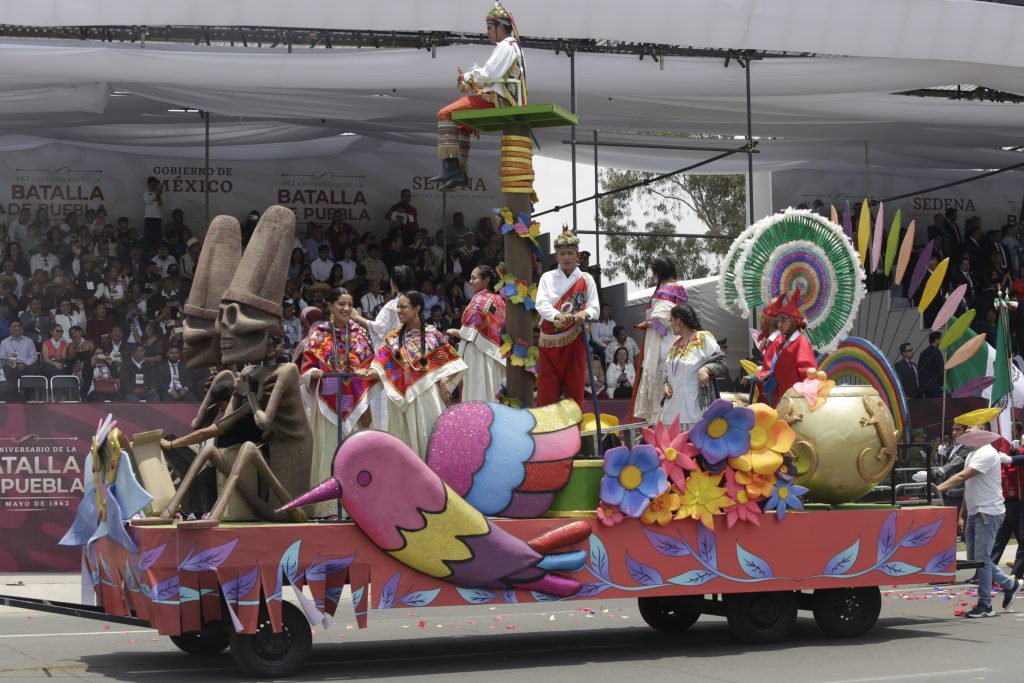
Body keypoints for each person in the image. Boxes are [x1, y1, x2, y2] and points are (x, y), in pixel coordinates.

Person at [430, 2, 525, 191]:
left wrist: (466, 77)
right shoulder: (512, 46)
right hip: (502, 100)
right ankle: (460, 173)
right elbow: (492, 77)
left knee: (444, 114)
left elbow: (489, 74)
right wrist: (471, 81)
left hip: (498, 102)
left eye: (490, 28)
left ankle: (451, 168)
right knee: (463, 125)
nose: (488, 32)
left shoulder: (506, 46)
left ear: (500, 27)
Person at [363, 291, 467, 458]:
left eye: (403, 307)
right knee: (404, 450)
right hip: (399, 402)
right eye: (397, 307)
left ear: (417, 308)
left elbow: (455, 363)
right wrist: (369, 373)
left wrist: (444, 381)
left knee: (430, 446)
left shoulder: (433, 335)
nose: (399, 310)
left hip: (427, 397)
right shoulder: (393, 338)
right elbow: (380, 367)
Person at [300, 287, 376, 515]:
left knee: (352, 450)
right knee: (328, 447)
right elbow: (308, 365)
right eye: (341, 304)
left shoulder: (359, 333)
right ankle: (327, 507)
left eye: (350, 304)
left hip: (354, 399)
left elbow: (370, 364)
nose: (346, 309)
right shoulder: (320, 333)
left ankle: (355, 504)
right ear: (330, 306)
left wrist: (370, 376)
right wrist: (312, 374)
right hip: (328, 397)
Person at [938, 428, 1023, 617]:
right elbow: (969, 487)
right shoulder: (972, 454)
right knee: (976, 560)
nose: (962, 436)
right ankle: (1010, 584)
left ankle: (985, 605)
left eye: (967, 433)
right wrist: (962, 515)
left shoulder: (987, 453)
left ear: (979, 437)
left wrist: (937, 488)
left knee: (982, 560)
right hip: (976, 511)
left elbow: (962, 477)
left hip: (988, 512)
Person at [535, 230, 599, 409]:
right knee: (547, 389)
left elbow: (594, 307)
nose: (566, 257)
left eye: (570, 253)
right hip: (550, 340)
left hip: (575, 337)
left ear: (577, 255)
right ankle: (546, 433)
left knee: (575, 387)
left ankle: (573, 434)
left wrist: (584, 314)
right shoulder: (547, 278)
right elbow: (541, 304)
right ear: (556, 256)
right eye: (562, 253)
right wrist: (557, 315)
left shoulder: (587, 279)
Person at [633, 256, 689, 421]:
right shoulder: (681, 289)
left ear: (656, 273)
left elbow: (661, 320)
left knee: (661, 393)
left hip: (663, 345)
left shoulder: (664, 290)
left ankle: (660, 426)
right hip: (677, 342)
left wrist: (648, 323)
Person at [661, 304, 726, 429]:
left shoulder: (702, 338)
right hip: (671, 412)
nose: (670, 324)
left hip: (694, 410)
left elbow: (721, 362)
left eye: (671, 320)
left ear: (678, 321)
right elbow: (669, 372)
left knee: (693, 446)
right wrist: (665, 383)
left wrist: (705, 369)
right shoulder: (674, 345)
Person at [447, 265, 505, 403]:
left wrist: (453, 331)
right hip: (494, 352)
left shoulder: (479, 299)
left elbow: (469, 333)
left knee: (476, 391)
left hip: (477, 352)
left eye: (474, 278)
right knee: (491, 390)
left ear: (486, 280)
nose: (470, 281)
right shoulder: (499, 300)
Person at [758, 291, 817, 407]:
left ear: (795, 322)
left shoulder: (800, 342)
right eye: (779, 321)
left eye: (783, 321)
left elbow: (809, 374)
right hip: (782, 397)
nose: (779, 325)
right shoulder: (784, 342)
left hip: (796, 401)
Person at [0, 320, 37, 392]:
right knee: (6, 367)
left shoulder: (28, 341)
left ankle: (14, 389)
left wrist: (25, 364)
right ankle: (16, 389)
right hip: (11, 367)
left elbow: (34, 357)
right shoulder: (4, 342)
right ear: (10, 329)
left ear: (22, 328)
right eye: (14, 326)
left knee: (29, 370)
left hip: (26, 366)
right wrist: (8, 362)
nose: (17, 328)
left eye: (19, 326)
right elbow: (2, 358)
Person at [918, 332, 944, 398]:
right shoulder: (936, 352)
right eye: (941, 339)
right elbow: (940, 369)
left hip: (925, 388)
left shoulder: (923, 352)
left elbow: (919, 370)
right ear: (936, 340)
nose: (942, 341)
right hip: (936, 387)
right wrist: (944, 383)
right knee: (938, 407)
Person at [143, 176, 163, 249]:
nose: (153, 186)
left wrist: (160, 193)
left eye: (155, 185)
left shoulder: (160, 194)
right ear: (148, 185)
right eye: (151, 184)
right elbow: (148, 201)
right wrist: (155, 193)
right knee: (149, 238)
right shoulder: (146, 194)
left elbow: (162, 204)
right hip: (149, 218)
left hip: (157, 219)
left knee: (158, 238)